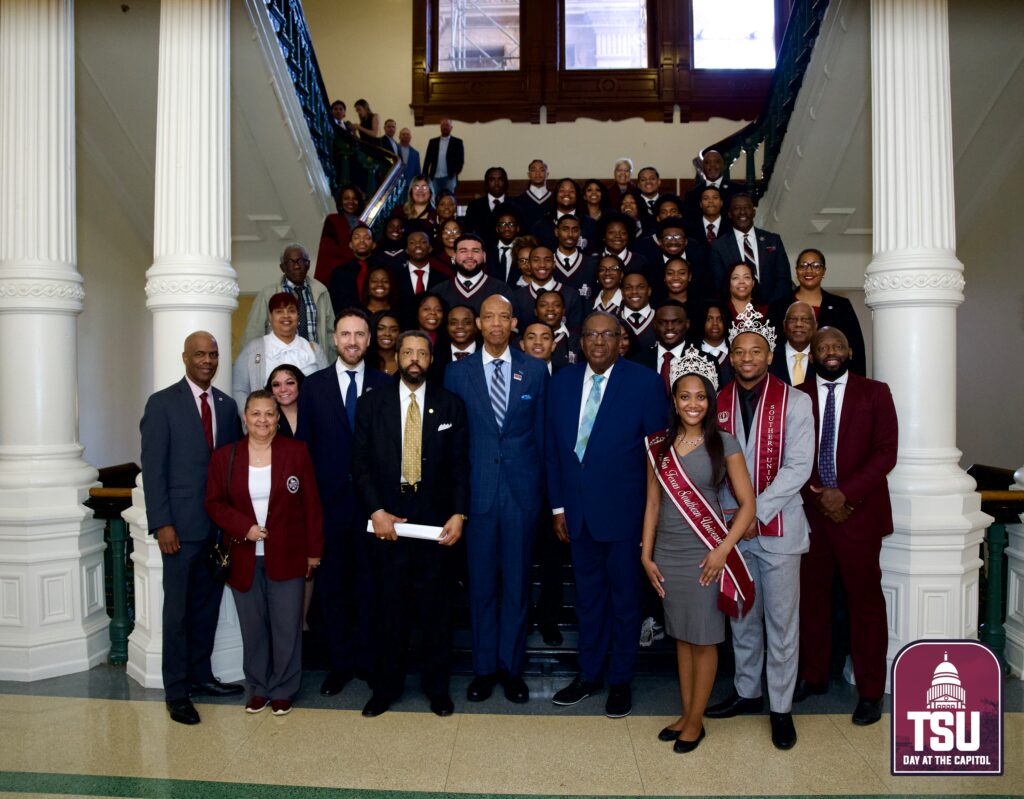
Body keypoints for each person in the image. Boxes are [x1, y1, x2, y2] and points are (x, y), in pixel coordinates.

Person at [703, 304, 814, 752]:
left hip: (779, 529)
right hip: (732, 530)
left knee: (782, 623)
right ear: (730, 357)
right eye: (739, 351)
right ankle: (747, 691)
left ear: (770, 355)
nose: (747, 358)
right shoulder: (716, 402)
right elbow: (709, 467)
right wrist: (734, 518)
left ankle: (781, 708)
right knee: (742, 617)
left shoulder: (797, 401)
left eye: (755, 351)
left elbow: (799, 467)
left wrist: (755, 513)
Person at [546, 311, 668, 717]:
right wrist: (559, 507)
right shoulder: (561, 382)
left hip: (625, 518)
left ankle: (620, 680)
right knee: (588, 601)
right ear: (581, 342)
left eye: (608, 335)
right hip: (577, 516)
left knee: (626, 602)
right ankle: (589, 675)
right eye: (591, 334)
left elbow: (656, 457)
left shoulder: (645, 383)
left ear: (621, 341)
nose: (599, 342)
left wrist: (650, 523)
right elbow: (553, 450)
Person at [641, 346, 756, 752]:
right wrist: (646, 554)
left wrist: (723, 550)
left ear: (711, 401)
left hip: (706, 554)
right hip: (668, 555)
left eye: (701, 397)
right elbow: (653, 503)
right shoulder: (658, 445)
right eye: (685, 396)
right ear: (674, 400)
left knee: (704, 639)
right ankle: (687, 712)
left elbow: (748, 505)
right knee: (682, 637)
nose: (693, 404)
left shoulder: (724, 442)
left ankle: (695, 722)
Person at [353, 331, 470, 717]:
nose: (414, 359)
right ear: (397, 357)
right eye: (408, 352)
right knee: (389, 612)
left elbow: (460, 465)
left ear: (431, 360)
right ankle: (385, 689)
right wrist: (375, 511)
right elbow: (360, 462)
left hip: (436, 525)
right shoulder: (372, 404)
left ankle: (438, 690)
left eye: (422, 353)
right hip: (388, 522)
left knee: (437, 613)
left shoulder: (451, 405)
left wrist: (459, 513)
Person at [444, 295, 549, 704]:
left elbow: (541, 435)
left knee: (517, 586)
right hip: (478, 494)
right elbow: (452, 442)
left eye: (503, 317)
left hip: (522, 495)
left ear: (514, 323)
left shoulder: (535, 369)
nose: (496, 323)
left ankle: (512, 668)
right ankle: (484, 669)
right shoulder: (457, 372)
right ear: (478, 323)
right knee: (482, 586)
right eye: (488, 317)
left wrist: (545, 496)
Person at [795, 327, 898, 727]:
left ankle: (870, 690)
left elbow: (886, 453)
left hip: (860, 515)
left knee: (865, 604)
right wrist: (821, 498)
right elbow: (789, 453)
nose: (831, 351)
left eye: (837, 345)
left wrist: (845, 494)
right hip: (812, 516)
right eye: (822, 347)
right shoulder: (798, 395)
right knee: (811, 600)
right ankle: (814, 675)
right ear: (812, 355)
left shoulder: (876, 393)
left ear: (850, 351)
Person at [140, 332, 243, 725]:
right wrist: (162, 523)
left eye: (213, 354)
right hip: (180, 531)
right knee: (178, 614)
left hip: (218, 530)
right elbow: (153, 469)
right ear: (185, 357)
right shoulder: (162, 403)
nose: (207, 361)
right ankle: (177, 691)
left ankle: (202, 676)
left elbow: (232, 466)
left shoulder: (227, 406)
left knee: (207, 608)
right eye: (200, 354)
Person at [203, 390, 323, 716]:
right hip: (243, 556)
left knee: (287, 626)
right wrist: (245, 528)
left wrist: (314, 552)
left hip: (288, 554)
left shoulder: (296, 452)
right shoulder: (225, 456)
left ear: (277, 418)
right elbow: (213, 503)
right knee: (253, 627)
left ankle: (283, 688)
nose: (263, 420)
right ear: (245, 417)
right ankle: (258, 687)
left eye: (270, 413)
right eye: (256, 413)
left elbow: (311, 504)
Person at [296, 309, 393, 698]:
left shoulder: (386, 384)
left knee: (371, 587)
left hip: (375, 508)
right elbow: (304, 449)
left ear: (369, 340)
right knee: (333, 588)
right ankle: (339, 665)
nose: (352, 341)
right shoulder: (313, 387)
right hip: (329, 505)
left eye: (360, 334)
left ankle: (368, 662)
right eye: (345, 334)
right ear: (334, 339)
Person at [769, 248, 866, 376]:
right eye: (803, 265)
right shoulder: (779, 306)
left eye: (815, 266)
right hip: (786, 376)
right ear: (796, 270)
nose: (809, 270)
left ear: (823, 270)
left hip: (831, 377)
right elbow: (771, 346)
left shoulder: (841, 306)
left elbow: (856, 349)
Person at [233, 293, 327, 415]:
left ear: (298, 316)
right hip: (266, 422)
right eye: (279, 311)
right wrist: (251, 417)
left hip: (310, 419)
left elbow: (327, 388)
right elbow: (238, 390)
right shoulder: (253, 350)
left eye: (291, 311)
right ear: (270, 316)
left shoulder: (314, 349)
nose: (286, 316)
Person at [245, 243, 337, 360]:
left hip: (315, 362)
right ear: (282, 267)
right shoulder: (268, 294)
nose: (296, 266)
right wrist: (254, 363)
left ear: (308, 264)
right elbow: (254, 332)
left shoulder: (321, 292)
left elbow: (331, 332)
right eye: (290, 262)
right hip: (279, 363)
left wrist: (332, 364)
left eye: (300, 261)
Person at [709, 193, 791, 307]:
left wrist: (768, 308)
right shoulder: (718, 246)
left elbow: (784, 279)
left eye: (746, 207)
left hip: (772, 308)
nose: (742, 212)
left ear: (754, 212)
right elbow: (719, 285)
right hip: (735, 311)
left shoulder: (773, 240)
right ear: (730, 214)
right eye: (737, 208)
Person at [435, 233, 514, 314]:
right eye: (463, 251)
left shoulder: (501, 290)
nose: (469, 255)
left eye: (475, 251)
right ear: (454, 257)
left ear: (484, 256)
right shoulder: (438, 292)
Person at [629, 300, 689, 394]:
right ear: (654, 325)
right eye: (663, 322)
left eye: (676, 322)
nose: (669, 327)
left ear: (687, 324)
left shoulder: (704, 362)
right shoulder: (637, 363)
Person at [314, 184, 365, 286]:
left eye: (354, 198)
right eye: (346, 198)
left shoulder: (363, 225)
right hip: (338, 275)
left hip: (359, 274)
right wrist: (355, 257)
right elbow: (327, 249)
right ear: (341, 202)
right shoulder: (332, 220)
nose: (351, 202)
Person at [328, 223, 377, 314]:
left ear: (374, 245)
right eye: (356, 238)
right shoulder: (339, 273)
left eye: (367, 238)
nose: (362, 241)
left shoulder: (383, 270)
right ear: (350, 245)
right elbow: (335, 303)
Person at [770, 301, 817, 386]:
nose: (798, 324)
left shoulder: (822, 358)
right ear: (784, 325)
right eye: (792, 319)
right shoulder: (770, 357)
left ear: (815, 326)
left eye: (805, 320)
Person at [464, 166, 509, 242]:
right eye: (492, 179)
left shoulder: (515, 204)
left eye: (500, 179)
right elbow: (468, 231)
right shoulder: (474, 206)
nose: (497, 183)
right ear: (486, 183)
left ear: (505, 183)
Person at [422, 118, 464, 197]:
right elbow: (427, 159)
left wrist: (454, 172)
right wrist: (425, 176)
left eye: (447, 125)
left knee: (448, 199)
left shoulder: (457, 142)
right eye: (443, 125)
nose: (445, 127)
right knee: (434, 199)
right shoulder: (433, 142)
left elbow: (460, 161)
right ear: (440, 127)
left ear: (451, 127)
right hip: (434, 177)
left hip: (449, 178)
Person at [619, 271, 657, 350]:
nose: (634, 292)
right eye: (628, 288)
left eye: (641, 287)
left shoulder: (661, 320)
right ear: (622, 292)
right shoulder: (612, 321)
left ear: (649, 290)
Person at [514, 159, 554, 229]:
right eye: (533, 170)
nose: (537, 173)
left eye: (541, 170)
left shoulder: (555, 199)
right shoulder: (518, 201)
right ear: (528, 175)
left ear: (547, 174)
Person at [266, 364, 304, 438]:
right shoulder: (265, 419)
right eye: (276, 385)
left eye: (289, 383)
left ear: (300, 384)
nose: (283, 389)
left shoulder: (315, 413)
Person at [368, 311, 401, 376]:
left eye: (394, 330)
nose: (387, 334)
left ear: (400, 333)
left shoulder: (406, 362)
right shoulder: (363, 361)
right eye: (381, 329)